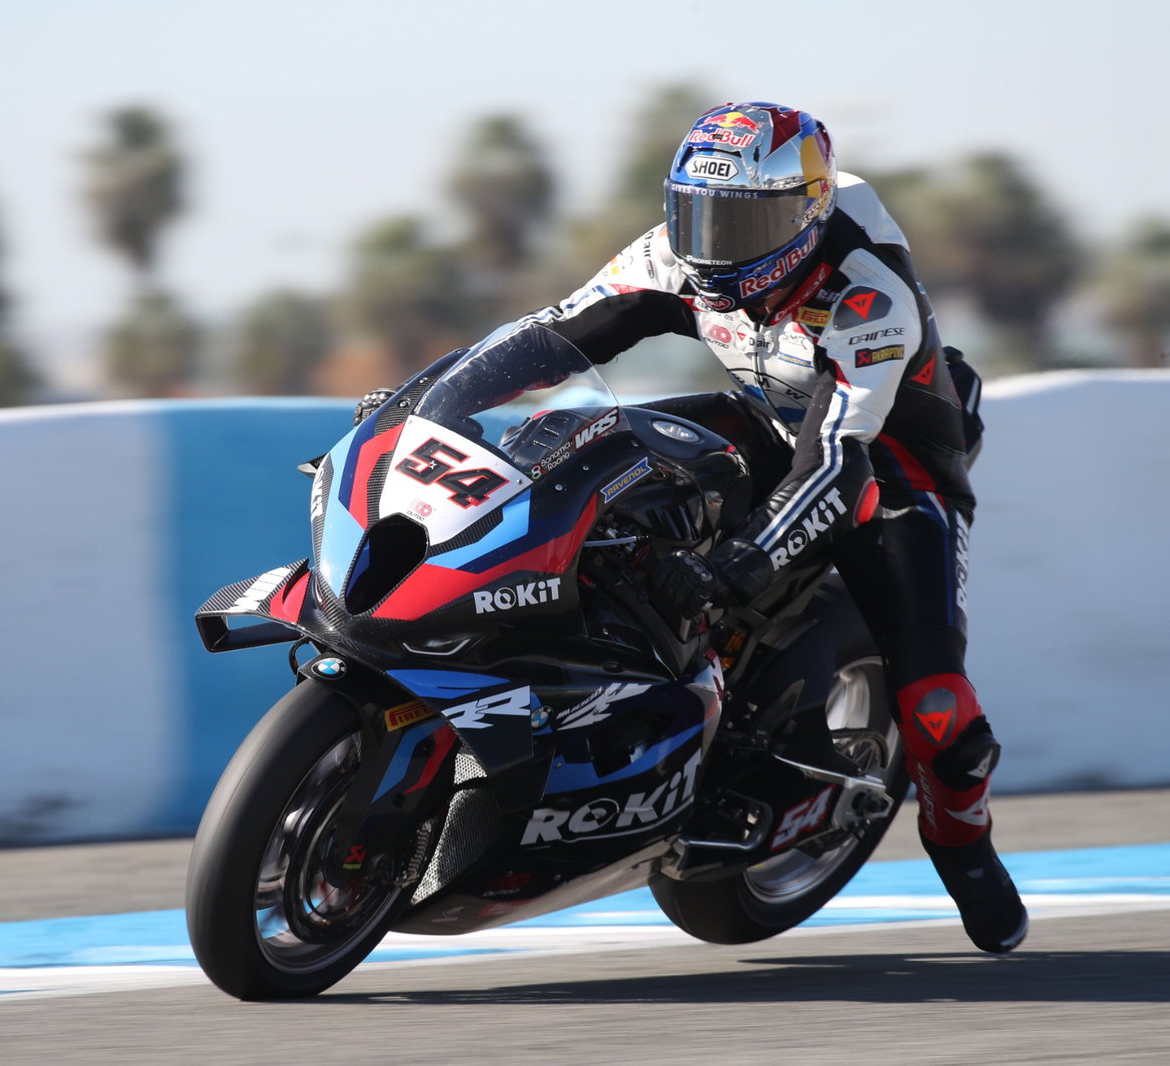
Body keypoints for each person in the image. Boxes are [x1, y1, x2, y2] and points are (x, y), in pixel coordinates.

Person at [361, 101, 1026, 953]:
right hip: (764, 416)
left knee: (937, 707)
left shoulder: (867, 295)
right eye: (702, 215)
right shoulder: (674, 253)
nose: (717, 244)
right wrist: (430, 406)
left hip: (888, 468)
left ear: (806, 215)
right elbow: (551, 334)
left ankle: (965, 853)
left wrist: (741, 563)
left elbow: (836, 463)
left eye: (747, 221)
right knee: (579, 452)